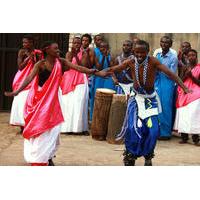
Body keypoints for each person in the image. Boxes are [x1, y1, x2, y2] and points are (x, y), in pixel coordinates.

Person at [5, 41, 109, 166]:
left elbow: (80, 68)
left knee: (53, 128)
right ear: (47, 50)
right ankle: (38, 156)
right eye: (55, 49)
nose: (58, 50)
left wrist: (97, 72)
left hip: (54, 99)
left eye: (58, 49)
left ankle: (48, 155)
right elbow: (29, 78)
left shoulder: (61, 62)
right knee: (40, 128)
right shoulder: (40, 64)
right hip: (39, 101)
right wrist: (17, 91)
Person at [107, 40, 190, 166]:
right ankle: (130, 155)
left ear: (148, 51)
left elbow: (170, 73)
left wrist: (184, 87)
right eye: (137, 52)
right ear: (134, 52)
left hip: (150, 101)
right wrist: (96, 72)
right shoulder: (131, 61)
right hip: (135, 100)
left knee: (153, 131)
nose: (139, 55)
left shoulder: (153, 61)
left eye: (142, 53)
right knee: (132, 128)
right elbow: (114, 69)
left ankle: (148, 154)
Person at [10, 35, 43, 132]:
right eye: (23, 42)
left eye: (26, 42)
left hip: (33, 78)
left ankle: (30, 124)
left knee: (30, 101)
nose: (24, 44)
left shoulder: (39, 53)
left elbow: (40, 66)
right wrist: (28, 58)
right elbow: (20, 67)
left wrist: (35, 57)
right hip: (21, 78)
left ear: (32, 43)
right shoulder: (21, 52)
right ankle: (22, 125)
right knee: (20, 101)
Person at [174, 49, 200, 146]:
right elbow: (180, 80)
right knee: (183, 114)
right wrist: (186, 74)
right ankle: (184, 137)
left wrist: (192, 76)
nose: (191, 57)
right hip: (184, 91)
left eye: (193, 55)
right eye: (189, 55)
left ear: (196, 57)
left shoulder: (199, 67)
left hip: (196, 91)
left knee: (194, 115)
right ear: (187, 57)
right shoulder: (185, 67)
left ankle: (196, 138)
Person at [154, 36, 178, 140]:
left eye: (166, 43)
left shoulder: (173, 57)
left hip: (167, 84)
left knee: (166, 107)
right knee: (157, 107)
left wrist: (160, 69)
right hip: (157, 82)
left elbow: (171, 74)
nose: (164, 44)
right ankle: (157, 131)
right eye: (162, 42)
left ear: (170, 45)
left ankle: (166, 133)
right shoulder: (157, 55)